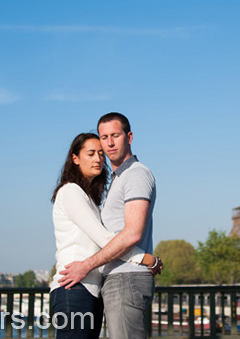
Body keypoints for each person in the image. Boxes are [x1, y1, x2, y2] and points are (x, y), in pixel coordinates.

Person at [50, 132, 162, 338]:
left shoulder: (88, 198)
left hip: (89, 288)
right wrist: (144, 258)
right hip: (73, 287)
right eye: (91, 153)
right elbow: (104, 239)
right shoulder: (71, 191)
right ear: (75, 159)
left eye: (101, 154)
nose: (98, 159)